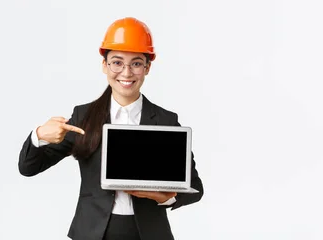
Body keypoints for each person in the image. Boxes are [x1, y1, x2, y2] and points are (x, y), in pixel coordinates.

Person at [18, 17, 204, 240]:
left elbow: (195, 188)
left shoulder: (165, 120)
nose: (126, 73)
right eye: (117, 62)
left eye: (136, 63)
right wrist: (39, 136)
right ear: (104, 65)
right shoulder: (84, 118)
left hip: (148, 234)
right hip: (93, 233)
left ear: (147, 68)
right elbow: (28, 167)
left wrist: (165, 197)